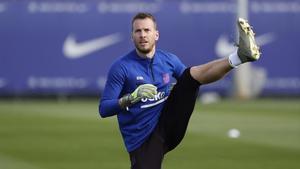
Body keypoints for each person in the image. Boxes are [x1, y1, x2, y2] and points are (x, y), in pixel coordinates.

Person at [99, 12, 260, 169]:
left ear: (156, 35)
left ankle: (240, 56)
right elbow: (104, 109)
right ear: (132, 36)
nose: (142, 35)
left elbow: (194, 80)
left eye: (147, 30)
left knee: (190, 77)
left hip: (169, 124)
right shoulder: (121, 67)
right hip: (143, 140)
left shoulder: (169, 60)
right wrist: (131, 98)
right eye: (138, 31)